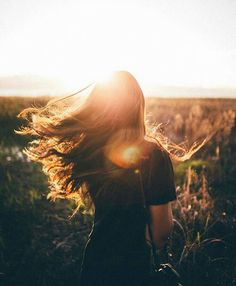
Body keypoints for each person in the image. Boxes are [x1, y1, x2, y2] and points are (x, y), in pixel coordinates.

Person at [17, 71, 199, 286]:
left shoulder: (93, 151)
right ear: (138, 105)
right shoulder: (154, 156)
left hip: (96, 260)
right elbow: (160, 233)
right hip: (133, 267)